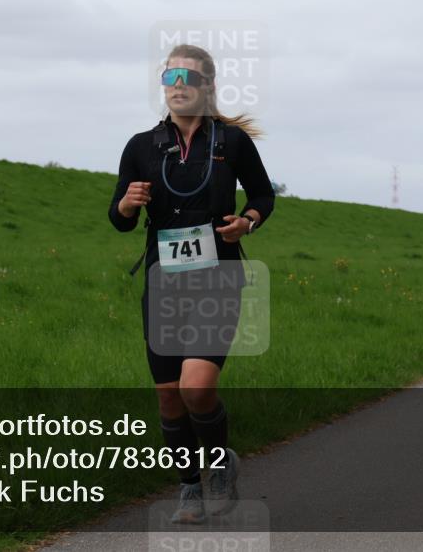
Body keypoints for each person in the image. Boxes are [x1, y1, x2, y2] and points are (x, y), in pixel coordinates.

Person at [108, 44, 274, 523]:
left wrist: (249, 220)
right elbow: (119, 220)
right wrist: (126, 205)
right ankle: (188, 488)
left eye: (188, 76)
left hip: (217, 277)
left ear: (208, 86)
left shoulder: (232, 143)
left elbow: (262, 193)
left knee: (196, 388)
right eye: (169, 76)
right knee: (167, 394)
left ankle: (220, 464)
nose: (177, 84)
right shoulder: (141, 146)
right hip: (163, 282)